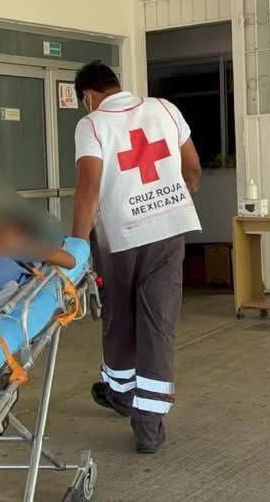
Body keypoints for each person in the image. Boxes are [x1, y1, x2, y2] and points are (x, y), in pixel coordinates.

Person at [70, 61, 202, 454]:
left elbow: (89, 186)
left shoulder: (93, 124)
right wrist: (168, 205)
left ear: (88, 96)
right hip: (169, 233)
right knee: (159, 323)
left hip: (120, 237)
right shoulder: (165, 109)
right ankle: (149, 427)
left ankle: (122, 395)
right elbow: (192, 170)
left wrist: (77, 247)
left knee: (120, 319)